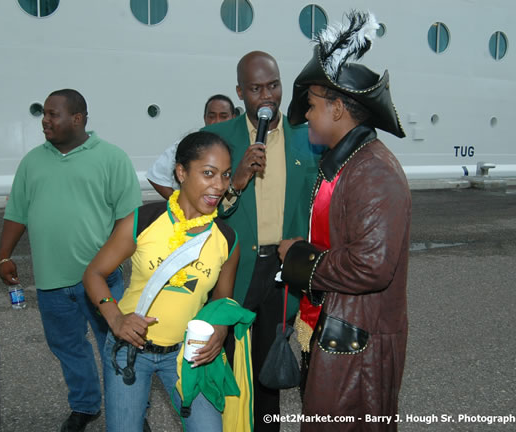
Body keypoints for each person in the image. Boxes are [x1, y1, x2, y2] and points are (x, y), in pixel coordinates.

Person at [278, 11, 411, 431]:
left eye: (313, 106)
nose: (306, 116)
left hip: (359, 337)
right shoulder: (348, 161)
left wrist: (300, 259)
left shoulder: (373, 170)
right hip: (339, 321)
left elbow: (371, 265)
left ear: (338, 109)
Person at [0, 89, 142, 432]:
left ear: (77, 119)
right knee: (69, 350)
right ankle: (85, 406)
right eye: (44, 114)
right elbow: (17, 213)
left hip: (103, 281)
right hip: (50, 284)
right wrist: (4, 255)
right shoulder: (32, 162)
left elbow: (129, 221)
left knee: (119, 349)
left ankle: (132, 411)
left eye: (53, 114)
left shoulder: (112, 158)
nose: (45, 121)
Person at [83, 131, 240, 432]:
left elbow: (222, 301)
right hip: (130, 351)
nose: (219, 186)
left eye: (225, 175)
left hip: (187, 355)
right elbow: (94, 274)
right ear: (181, 172)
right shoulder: (143, 221)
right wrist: (115, 318)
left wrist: (220, 330)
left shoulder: (227, 239)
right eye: (208, 173)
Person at [203, 51, 321, 431]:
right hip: (238, 268)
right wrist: (235, 181)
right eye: (256, 88)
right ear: (240, 91)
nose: (267, 96)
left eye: (273, 85)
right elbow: (203, 210)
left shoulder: (308, 138)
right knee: (231, 357)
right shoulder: (220, 139)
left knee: (273, 361)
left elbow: (321, 204)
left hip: (286, 267)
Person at [147, 94, 236, 199]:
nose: (217, 121)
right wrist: (181, 205)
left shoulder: (242, 143)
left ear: (233, 118)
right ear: (204, 118)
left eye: (223, 116)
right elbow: (155, 176)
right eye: (211, 116)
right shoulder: (190, 144)